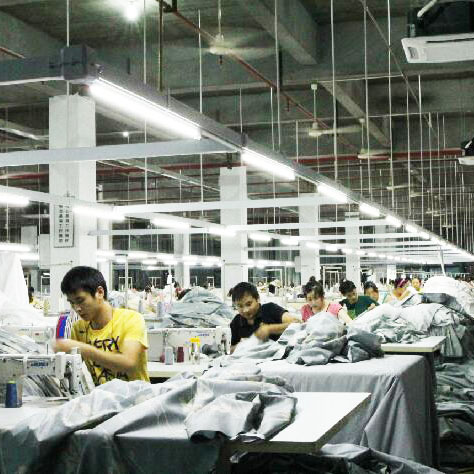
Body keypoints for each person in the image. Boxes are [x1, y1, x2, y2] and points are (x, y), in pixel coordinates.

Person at [54, 266, 149, 386]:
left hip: (136, 396)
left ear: (99, 292)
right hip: (102, 397)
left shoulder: (131, 319)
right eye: (72, 303)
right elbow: (72, 370)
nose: (77, 308)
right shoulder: (79, 328)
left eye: (80, 300)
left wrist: (84, 349)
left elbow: (128, 363)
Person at [230, 282, 298, 353]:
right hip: (251, 358)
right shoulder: (236, 322)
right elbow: (232, 350)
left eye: (249, 304)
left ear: (258, 299)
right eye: (240, 306)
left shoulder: (270, 309)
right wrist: (242, 345)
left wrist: (270, 329)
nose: (245, 310)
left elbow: (297, 323)